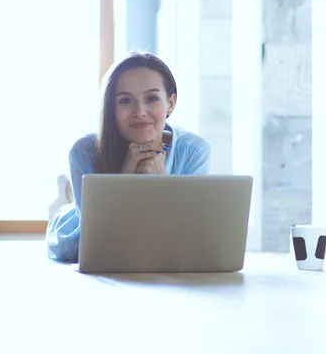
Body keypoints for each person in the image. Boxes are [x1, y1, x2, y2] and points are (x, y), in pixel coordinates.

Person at [45, 51, 212, 262]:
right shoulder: (83, 150)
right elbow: (99, 239)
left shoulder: (195, 150)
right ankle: (67, 199)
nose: (140, 111)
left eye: (151, 98)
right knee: (69, 230)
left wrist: (161, 182)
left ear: (170, 103)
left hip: (153, 241)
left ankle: (70, 194)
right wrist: (125, 178)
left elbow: (187, 235)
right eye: (125, 100)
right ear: (111, 107)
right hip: (76, 232)